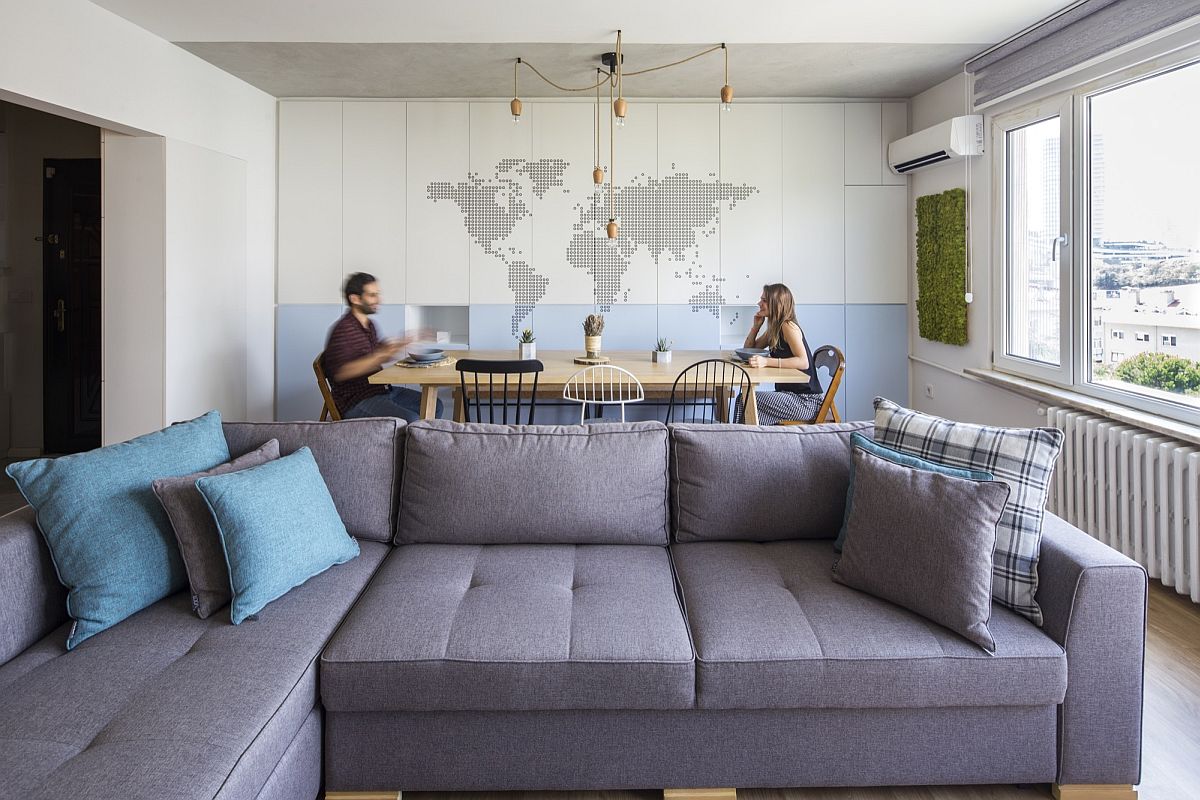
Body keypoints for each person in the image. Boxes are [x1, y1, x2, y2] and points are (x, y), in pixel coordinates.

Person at [323, 272, 442, 422]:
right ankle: (411, 443)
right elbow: (341, 372)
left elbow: (380, 351)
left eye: (378, 294)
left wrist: (405, 340)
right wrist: (379, 356)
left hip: (381, 390)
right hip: (357, 400)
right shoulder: (344, 329)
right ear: (355, 299)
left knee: (435, 405)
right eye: (372, 295)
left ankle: (418, 441)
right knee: (411, 418)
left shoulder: (368, 325)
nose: (379, 299)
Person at [741, 283, 823, 425]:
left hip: (805, 401)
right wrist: (755, 327)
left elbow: (803, 362)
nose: (759, 303)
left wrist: (767, 362)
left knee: (746, 400)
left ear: (777, 304)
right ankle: (749, 440)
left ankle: (746, 441)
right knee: (745, 400)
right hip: (790, 396)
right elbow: (749, 350)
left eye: (764, 300)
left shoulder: (788, 326)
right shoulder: (775, 328)